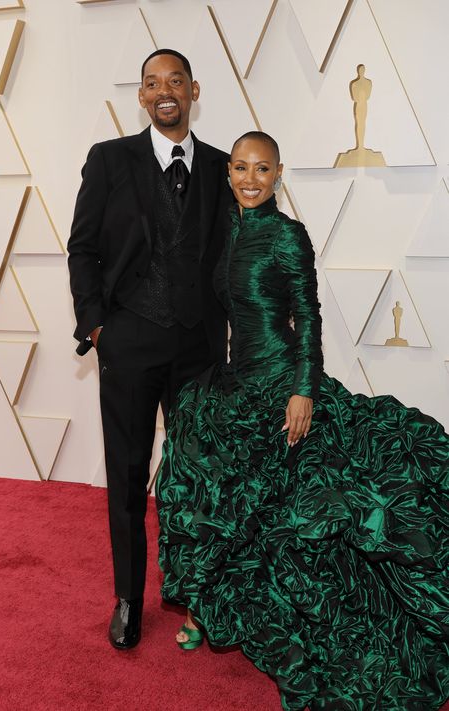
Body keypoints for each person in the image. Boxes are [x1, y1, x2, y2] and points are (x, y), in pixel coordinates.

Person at [157, 131, 449, 709]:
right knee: (197, 476)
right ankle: (204, 606)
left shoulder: (289, 237)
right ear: (229, 172)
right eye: (240, 168)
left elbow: (309, 318)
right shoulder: (228, 232)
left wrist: (304, 393)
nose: (249, 179)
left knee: (311, 509)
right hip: (238, 385)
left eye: (261, 169)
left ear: (279, 173)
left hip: (285, 386)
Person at [67, 49, 232, 650]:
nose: (165, 91)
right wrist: (97, 325)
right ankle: (130, 599)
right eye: (152, 83)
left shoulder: (221, 168)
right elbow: (82, 248)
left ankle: (193, 593)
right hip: (130, 341)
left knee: (197, 476)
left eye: (176, 81)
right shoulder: (110, 160)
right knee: (128, 475)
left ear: (194, 90)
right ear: (141, 96)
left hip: (199, 349)